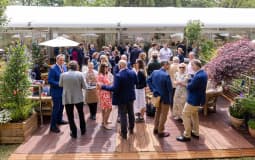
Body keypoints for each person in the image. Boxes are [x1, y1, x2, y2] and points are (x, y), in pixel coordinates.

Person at [99, 60, 138, 139]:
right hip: (131, 96)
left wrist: (103, 86)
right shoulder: (133, 73)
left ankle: (124, 133)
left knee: (123, 115)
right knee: (131, 113)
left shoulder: (118, 75)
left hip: (122, 98)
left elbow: (115, 88)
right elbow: (136, 82)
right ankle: (131, 129)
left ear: (120, 66)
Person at [176, 59, 208, 142]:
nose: (191, 67)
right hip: (198, 99)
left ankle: (187, 135)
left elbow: (190, 87)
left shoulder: (198, 76)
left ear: (197, 65)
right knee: (194, 115)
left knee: (185, 115)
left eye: (192, 65)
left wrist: (182, 83)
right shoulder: (203, 73)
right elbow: (195, 84)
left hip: (193, 99)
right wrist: (191, 80)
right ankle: (195, 132)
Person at [59, 61, 86, 138]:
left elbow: (60, 85)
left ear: (68, 67)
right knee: (81, 113)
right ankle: (83, 130)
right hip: (78, 97)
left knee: (70, 116)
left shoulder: (63, 75)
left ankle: (74, 132)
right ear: (76, 66)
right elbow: (85, 86)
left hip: (68, 97)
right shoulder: (80, 74)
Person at [147, 60, 173, 138]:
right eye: (169, 65)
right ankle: (161, 131)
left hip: (156, 96)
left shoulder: (154, 72)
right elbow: (170, 89)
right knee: (164, 114)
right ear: (165, 65)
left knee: (158, 112)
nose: (169, 67)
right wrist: (171, 99)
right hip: (165, 98)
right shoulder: (166, 75)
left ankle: (155, 128)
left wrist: (153, 90)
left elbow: (148, 80)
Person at [48, 54, 68, 133]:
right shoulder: (53, 68)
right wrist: (60, 83)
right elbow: (50, 81)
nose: (62, 61)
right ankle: (52, 126)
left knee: (62, 107)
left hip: (63, 91)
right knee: (56, 109)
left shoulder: (64, 67)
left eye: (63, 60)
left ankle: (59, 120)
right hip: (56, 92)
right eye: (60, 60)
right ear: (57, 60)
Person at [97, 63, 112, 130]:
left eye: (107, 67)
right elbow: (100, 86)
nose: (107, 68)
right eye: (106, 67)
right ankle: (105, 123)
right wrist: (110, 83)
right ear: (103, 68)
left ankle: (104, 121)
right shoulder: (101, 76)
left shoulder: (104, 75)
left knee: (104, 108)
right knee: (109, 108)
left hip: (106, 93)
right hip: (104, 94)